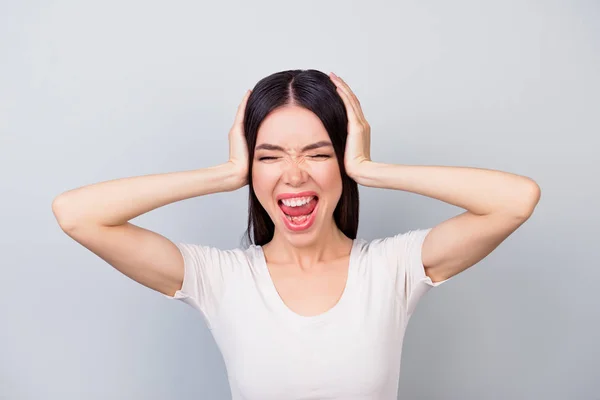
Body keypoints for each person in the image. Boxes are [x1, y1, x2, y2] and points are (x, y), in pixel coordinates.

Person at [52, 69, 541, 399]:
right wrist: (225, 174)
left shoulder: (392, 268)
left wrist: (370, 168)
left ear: (343, 162)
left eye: (318, 153)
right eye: (269, 156)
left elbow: (515, 200)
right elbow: (76, 214)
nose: (293, 175)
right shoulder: (221, 278)